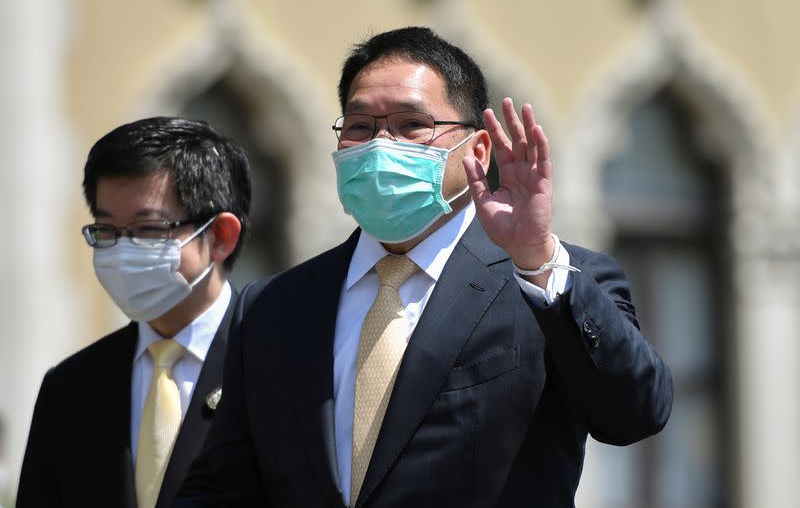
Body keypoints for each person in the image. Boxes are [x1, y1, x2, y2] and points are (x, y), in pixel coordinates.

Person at [175, 27, 673, 507]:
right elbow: (223, 487)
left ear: (477, 151)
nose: (380, 146)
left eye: (412, 125)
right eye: (360, 127)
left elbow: (634, 414)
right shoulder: (274, 307)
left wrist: (537, 258)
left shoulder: (549, 284)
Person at [17, 117, 252, 508]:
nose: (123, 251)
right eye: (107, 231)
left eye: (148, 229)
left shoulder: (277, 365)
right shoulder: (70, 387)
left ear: (220, 237)